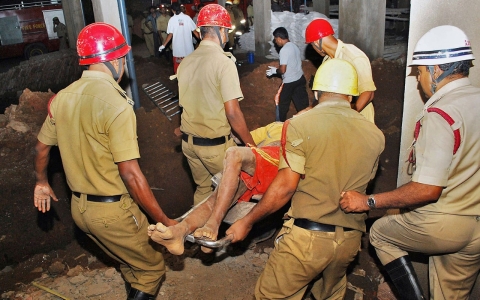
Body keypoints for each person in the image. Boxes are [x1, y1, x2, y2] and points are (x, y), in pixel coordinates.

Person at [33, 23, 176, 300]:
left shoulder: (62, 98)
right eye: (123, 59)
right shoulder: (116, 104)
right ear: (114, 60)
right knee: (151, 269)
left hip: (80, 211)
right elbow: (131, 175)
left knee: (129, 262)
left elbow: (41, 149)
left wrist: (41, 182)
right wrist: (163, 220)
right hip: (113, 213)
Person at [340, 25, 480, 300]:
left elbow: (428, 189)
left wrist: (368, 201)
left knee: (380, 232)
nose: (419, 80)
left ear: (437, 69)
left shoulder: (442, 114)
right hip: (477, 225)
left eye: (421, 72)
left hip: (446, 223)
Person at [227, 59, 385, 300]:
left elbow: (285, 187)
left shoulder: (300, 125)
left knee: (269, 296)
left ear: (317, 92)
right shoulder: (375, 135)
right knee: (331, 294)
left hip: (307, 240)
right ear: (351, 96)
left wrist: (248, 221)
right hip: (349, 243)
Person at [148, 122, 283, 255]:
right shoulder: (276, 126)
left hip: (279, 164)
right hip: (259, 161)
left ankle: (214, 223)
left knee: (233, 153)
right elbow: (249, 140)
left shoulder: (300, 129)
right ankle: (179, 232)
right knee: (216, 199)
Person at [175, 4, 256, 206]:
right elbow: (233, 113)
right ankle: (230, 233)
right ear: (220, 30)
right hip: (214, 147)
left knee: (203, 189)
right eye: (227, 31)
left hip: (190, 145)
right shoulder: (223, 62)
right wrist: (251, 145)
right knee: (236, 190)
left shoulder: (186, 61)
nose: (227, 35)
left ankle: (195, 232)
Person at [305, 18, 377, 123]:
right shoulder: (327, 61)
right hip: (338, 118)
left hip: (359, 121)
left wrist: (347, 116)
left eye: (312, 46)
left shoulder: (353, 56)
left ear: (316, 42)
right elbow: (326, 94)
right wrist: (311, 109)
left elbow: (368, 93)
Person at [266, 27, 309, 122]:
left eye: (275, 40)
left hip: (289, 83)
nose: (276, 42)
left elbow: (282, 70)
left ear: (278, 38)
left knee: (281, 106)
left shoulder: (284, 50)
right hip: (300, 79)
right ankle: (307, 123)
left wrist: (275, 71)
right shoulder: (294, 46)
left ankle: (279, 126)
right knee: (302, 106)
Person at [159, 2, 199, 73]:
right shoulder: (187, 18)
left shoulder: (172, 20)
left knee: (179, 70)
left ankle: (180, 83)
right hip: (189, 49)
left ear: (172, 10)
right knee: (190, 69)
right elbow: (195, 32)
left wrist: (163, 45)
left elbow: (170, 34)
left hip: (178, 50)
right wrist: (203, 40)